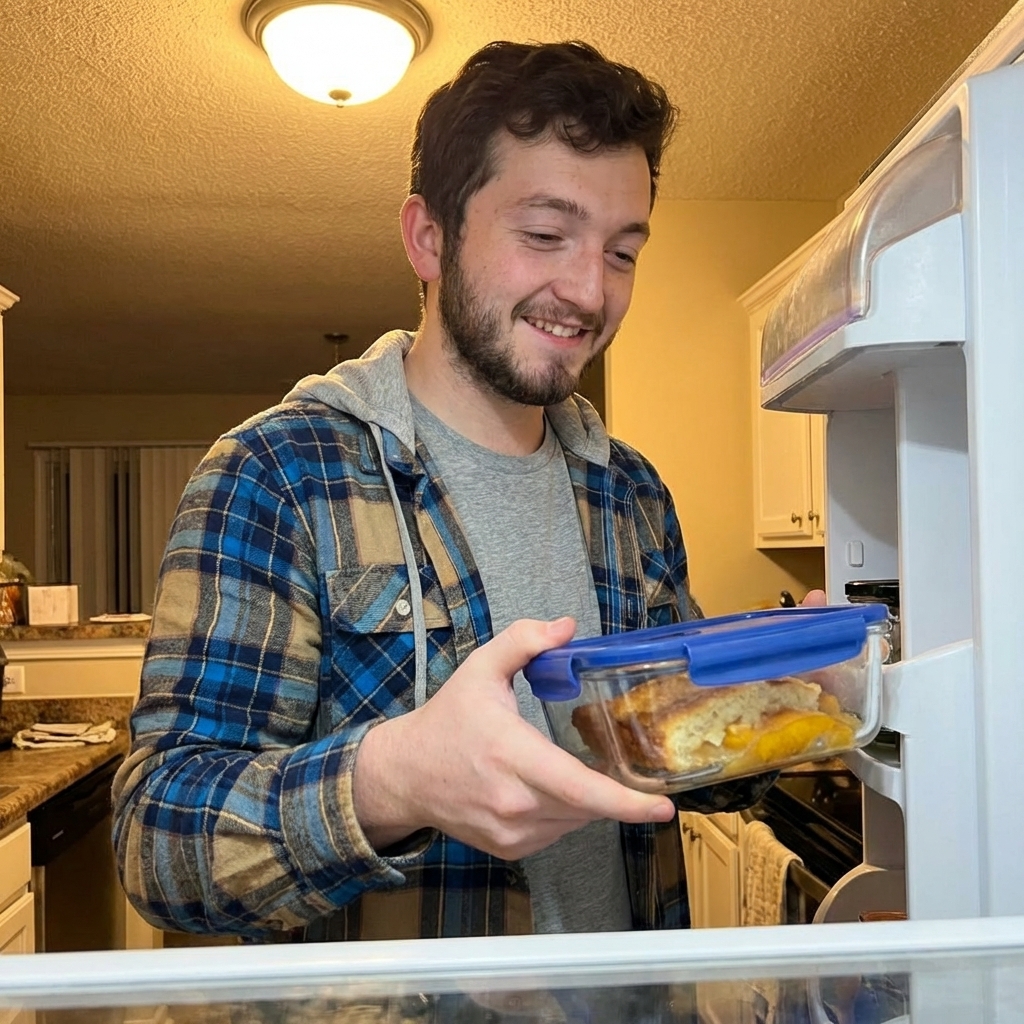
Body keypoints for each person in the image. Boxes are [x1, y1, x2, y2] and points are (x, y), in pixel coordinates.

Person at [112, 39, 774, 943]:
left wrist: (782, 688)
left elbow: (670, 747)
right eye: (545, 234)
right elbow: (158, 840)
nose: (588, 290)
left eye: (622, 251)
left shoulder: (632, 495)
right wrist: (391, 781)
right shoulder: (277, 475)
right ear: (430, 238)